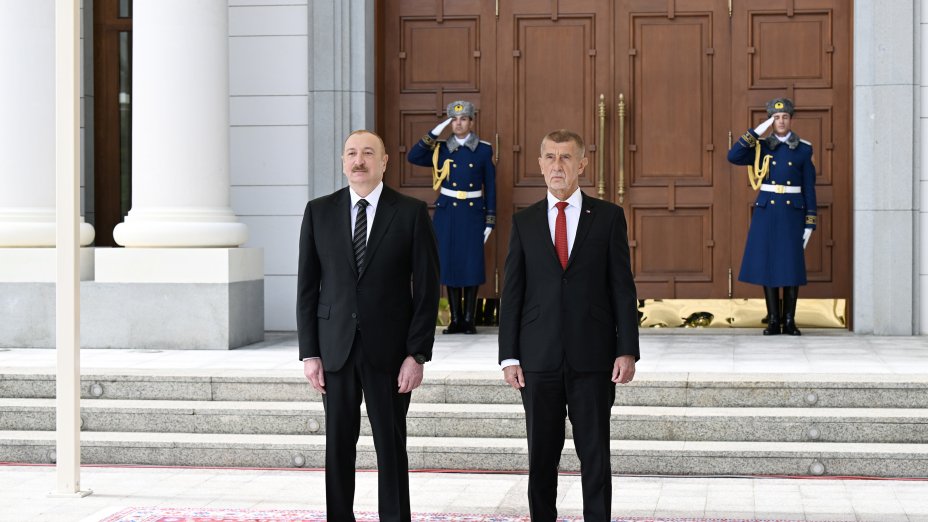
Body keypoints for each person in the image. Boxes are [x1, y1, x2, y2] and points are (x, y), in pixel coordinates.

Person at [297, 130, 440, 521]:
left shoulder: (410, 212)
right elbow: (307, 288)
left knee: (391, 448)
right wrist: (310, 353)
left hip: (391, 354)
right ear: (343, 161)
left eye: (367, 153)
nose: (358, 161)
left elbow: (427, 290)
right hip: (334, 350)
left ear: (384, 161)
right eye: (351, 153)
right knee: (338, 447)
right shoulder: (319, 211)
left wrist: (417, 354)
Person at [498, 129, 640, 521]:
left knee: (595, 455)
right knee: (541, 457)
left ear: (582, 164)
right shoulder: (524, 221)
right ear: (540, 164)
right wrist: (508, 355)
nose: (556, 165)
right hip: (537, 358)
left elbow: (622, 288)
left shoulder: (608, 216)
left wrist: (626, 349)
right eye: (549, 157)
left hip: (592, 357)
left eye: (565, 158)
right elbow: (513, 292)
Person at [728, 98, 817, 335]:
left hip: (791, 212)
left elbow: (809, 187)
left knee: (791, 267)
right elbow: (733, 156)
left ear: (790, 119)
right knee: (768, 265)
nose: (781, 121)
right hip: (767, 212)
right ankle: (773, 320)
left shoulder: (804, 149)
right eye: (776, 118)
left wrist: (810, 222)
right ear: (771, 120)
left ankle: (789, 321)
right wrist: (758, 131)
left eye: (785, 117)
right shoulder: (761, 146)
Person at [407, 100, 496, 334]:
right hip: (448, 212)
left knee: (471, 263)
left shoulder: (484, 149)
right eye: (454, 119)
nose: (458, 123)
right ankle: (455, 319)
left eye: (463, 119)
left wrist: (490, 218)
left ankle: (469, 320)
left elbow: (491, 185)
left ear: (471, 121)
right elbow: (414, 156)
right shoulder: (441, 148)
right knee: (449, 264)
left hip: (472, 211)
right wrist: (436, 131)